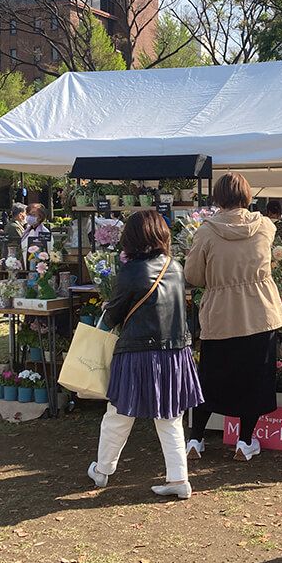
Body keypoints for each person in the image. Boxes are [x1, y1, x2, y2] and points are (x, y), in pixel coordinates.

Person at [87, 211, 203, 499]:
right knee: (170, 417)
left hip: (138, 352)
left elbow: (114, 315)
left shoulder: (131, 271)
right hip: (174, 353)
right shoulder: (176, 267)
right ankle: (179, 479)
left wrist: (108, 306)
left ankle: (102, 470)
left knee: (118, 413)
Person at [184, 173, 282, 461]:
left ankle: (196, 440)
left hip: (220, 315)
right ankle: (244, 442)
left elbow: (192, 275)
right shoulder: (265, 226)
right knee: (253, 378)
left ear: (217, 197)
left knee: (209, 378)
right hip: (260, 312)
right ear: (248, 195)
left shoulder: (205, 231)